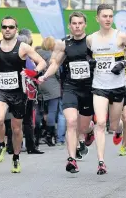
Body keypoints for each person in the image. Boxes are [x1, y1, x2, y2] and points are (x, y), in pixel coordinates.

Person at [0, 16, 47, 173]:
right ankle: (1, 145)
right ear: (1, 29)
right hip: (1, 91)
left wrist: (34, 71)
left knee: (17, 129)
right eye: (4, 26)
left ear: (16, 30)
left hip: (19, 93)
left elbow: (42, 62)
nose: (7, 29)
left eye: (11, 27)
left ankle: (16, 158)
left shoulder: (23, 47)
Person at [39, 12, 96, 172]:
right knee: (71, 122)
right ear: (70, 26)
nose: (77, 26)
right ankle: (71, 160)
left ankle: (89, 130)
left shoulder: (91, 43)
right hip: (71, 88)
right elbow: (55, 63)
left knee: (82, 128)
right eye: (74, 23)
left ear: (85, 25)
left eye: (80, 23)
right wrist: (44, 76)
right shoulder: (64, 44)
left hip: (88, 89)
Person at [86, 4, 126, 174]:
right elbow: (86, 55)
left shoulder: (120, 37)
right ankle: (101, 162)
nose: (108, 19)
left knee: (113, 126)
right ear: (97, 18)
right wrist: (90, 61)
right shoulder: (91, 39)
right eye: (104, 16)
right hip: (99, 86)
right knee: (101, 122)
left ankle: (119, 131)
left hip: (117, 87)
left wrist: (124, 62)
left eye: (110, 16)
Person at [37, 37, 61, 147]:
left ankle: (37, 135)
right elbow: (57, 72)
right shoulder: (53, 56)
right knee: (52, 111)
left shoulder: (37, 54)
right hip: (52, 86)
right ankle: (49, 136)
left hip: (39, 85)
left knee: (41, 111)